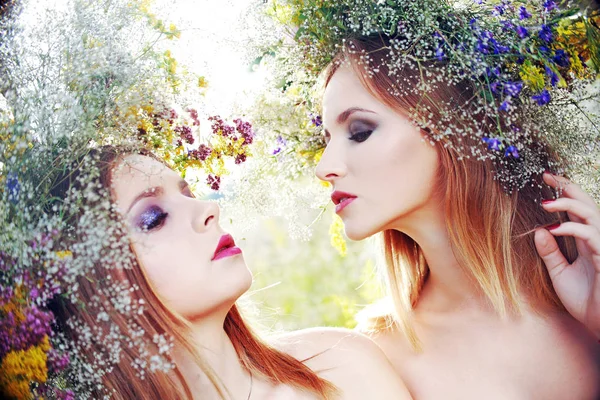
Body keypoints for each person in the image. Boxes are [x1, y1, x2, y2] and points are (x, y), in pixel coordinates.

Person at [314, 33, 600, 398]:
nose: (323, 168)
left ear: (452, 128)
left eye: (360, 132)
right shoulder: (379, 357)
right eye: (326, 139)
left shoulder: (586, 291)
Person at [45, 145, 412, 400]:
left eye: (187, 192)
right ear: (94, 288)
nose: (208, 208)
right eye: (153, 217)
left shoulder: (343, 365)